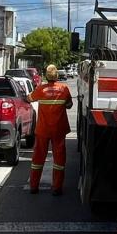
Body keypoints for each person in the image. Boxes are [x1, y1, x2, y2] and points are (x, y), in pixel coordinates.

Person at [28, 64, 73, 196]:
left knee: (38, 158)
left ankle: (34, 187)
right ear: (57, 75)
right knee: (59, 160)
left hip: (43, 130)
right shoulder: (64, 89)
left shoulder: (41, 89)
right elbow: (69, 105)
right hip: (59, 130)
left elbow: (29, 98)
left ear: (46, 76)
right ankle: (57, 188)